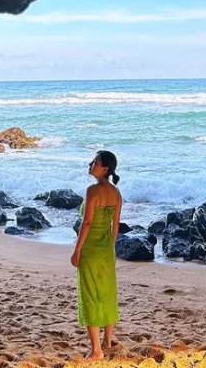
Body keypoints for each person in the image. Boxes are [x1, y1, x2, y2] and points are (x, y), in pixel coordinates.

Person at [70, 150, 122, 362]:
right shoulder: (116, 193)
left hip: (91, 249)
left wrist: (77, 249)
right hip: (107, 249)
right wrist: (110, 246)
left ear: (105, 168)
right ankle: (107, 342)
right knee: (107, 293)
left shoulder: (92, 190)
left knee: (90, 295)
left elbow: (87, 222)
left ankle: (96, 351)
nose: (91, 164)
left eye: (95, 162)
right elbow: (115, 225)